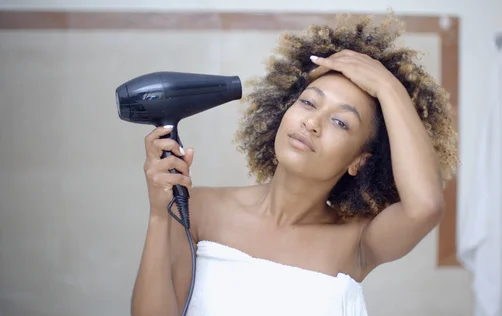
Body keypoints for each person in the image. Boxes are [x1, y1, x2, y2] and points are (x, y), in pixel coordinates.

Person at [130, 12, 458, 316]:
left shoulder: (357, 241)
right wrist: (160, 215)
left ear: (360, 161)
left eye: (341, 123)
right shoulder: (197, 208)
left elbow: (425, 206)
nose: (312, 122)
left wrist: (388, 87)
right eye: (308, 102)